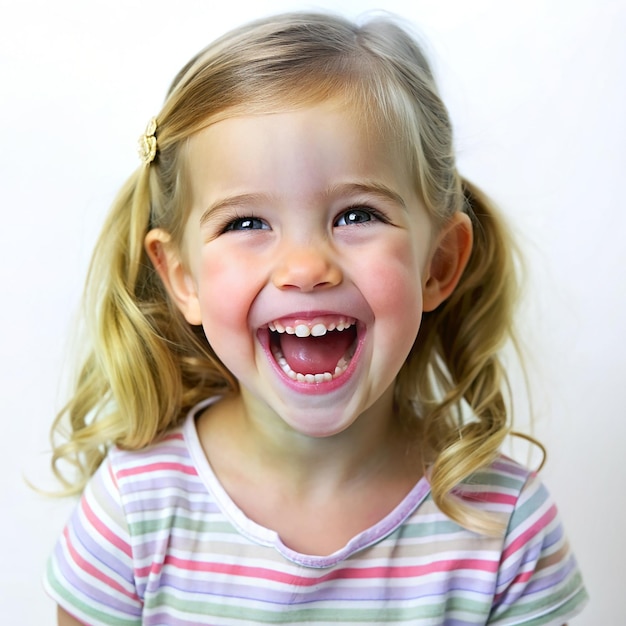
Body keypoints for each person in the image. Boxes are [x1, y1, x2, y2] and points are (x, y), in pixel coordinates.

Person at [44, 11, 587, 625]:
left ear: (436, 264)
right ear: (183, 279)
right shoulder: (132, 514)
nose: (304, 267)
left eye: (356, 215)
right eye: (246, 223)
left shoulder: (504, 527)